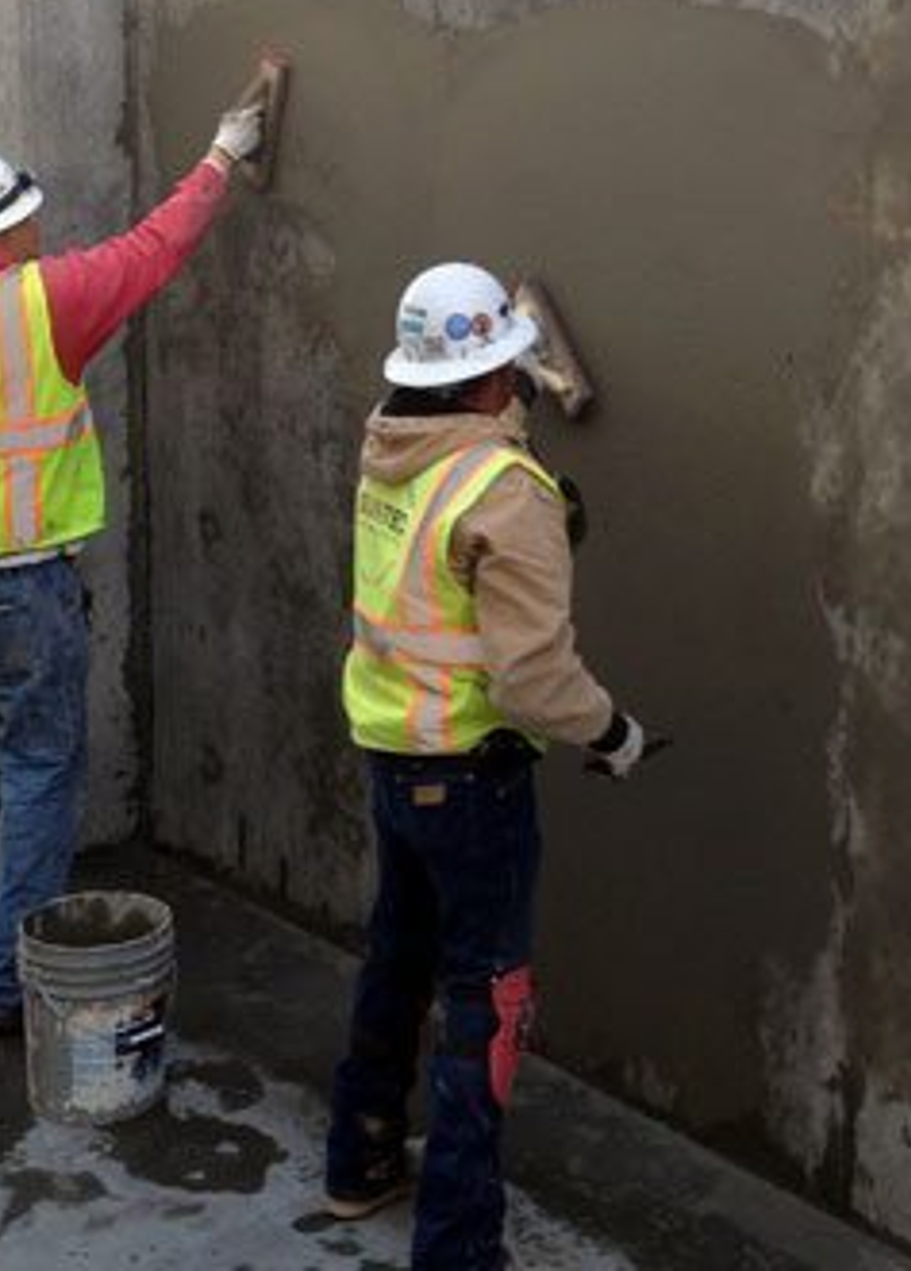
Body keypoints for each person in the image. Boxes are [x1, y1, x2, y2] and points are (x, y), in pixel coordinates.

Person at [0, 96, 264, 1035]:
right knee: (40, 771)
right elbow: (152, 251)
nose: (40, 227)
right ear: (7, 225)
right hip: (22, 585)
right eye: (26, 216)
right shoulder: (41, 302)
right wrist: (221, 157)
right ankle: (12, 984)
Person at [325, 261, 654, 1269]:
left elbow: (444, 579)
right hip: (472, 778)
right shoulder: (506, 493)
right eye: (506, 370)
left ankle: (361, 1158)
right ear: (478, 384)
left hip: (392, 752)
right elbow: (532, 679)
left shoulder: (391, 449)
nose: (518, 384)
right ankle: (458, 1245)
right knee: (486, 1002)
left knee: (397, 955)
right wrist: (614, 734)